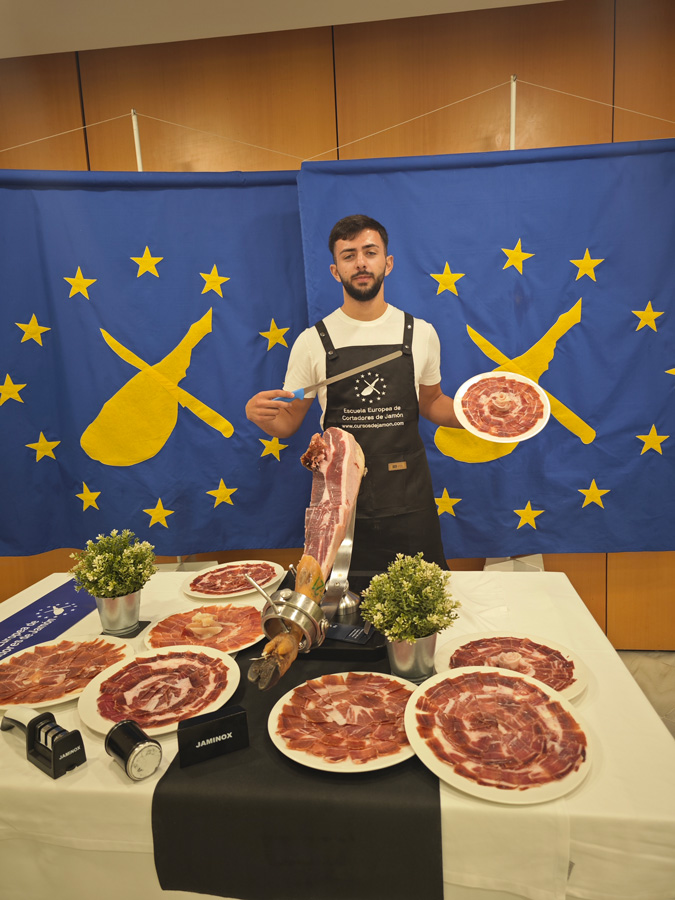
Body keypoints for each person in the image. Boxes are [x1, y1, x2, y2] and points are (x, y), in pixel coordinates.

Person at [245, 214, 462, 581]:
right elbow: (288, 422)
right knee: (342, 620)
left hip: (410, 502)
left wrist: (479, 416)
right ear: (335, 270)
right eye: (348, 255)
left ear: (387, 263)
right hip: (341, 509)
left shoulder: (421, 333)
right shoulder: (312, 341)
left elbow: (431, 402)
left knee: (422, 617)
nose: (361, 263)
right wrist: (260, 415)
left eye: (370, 252)